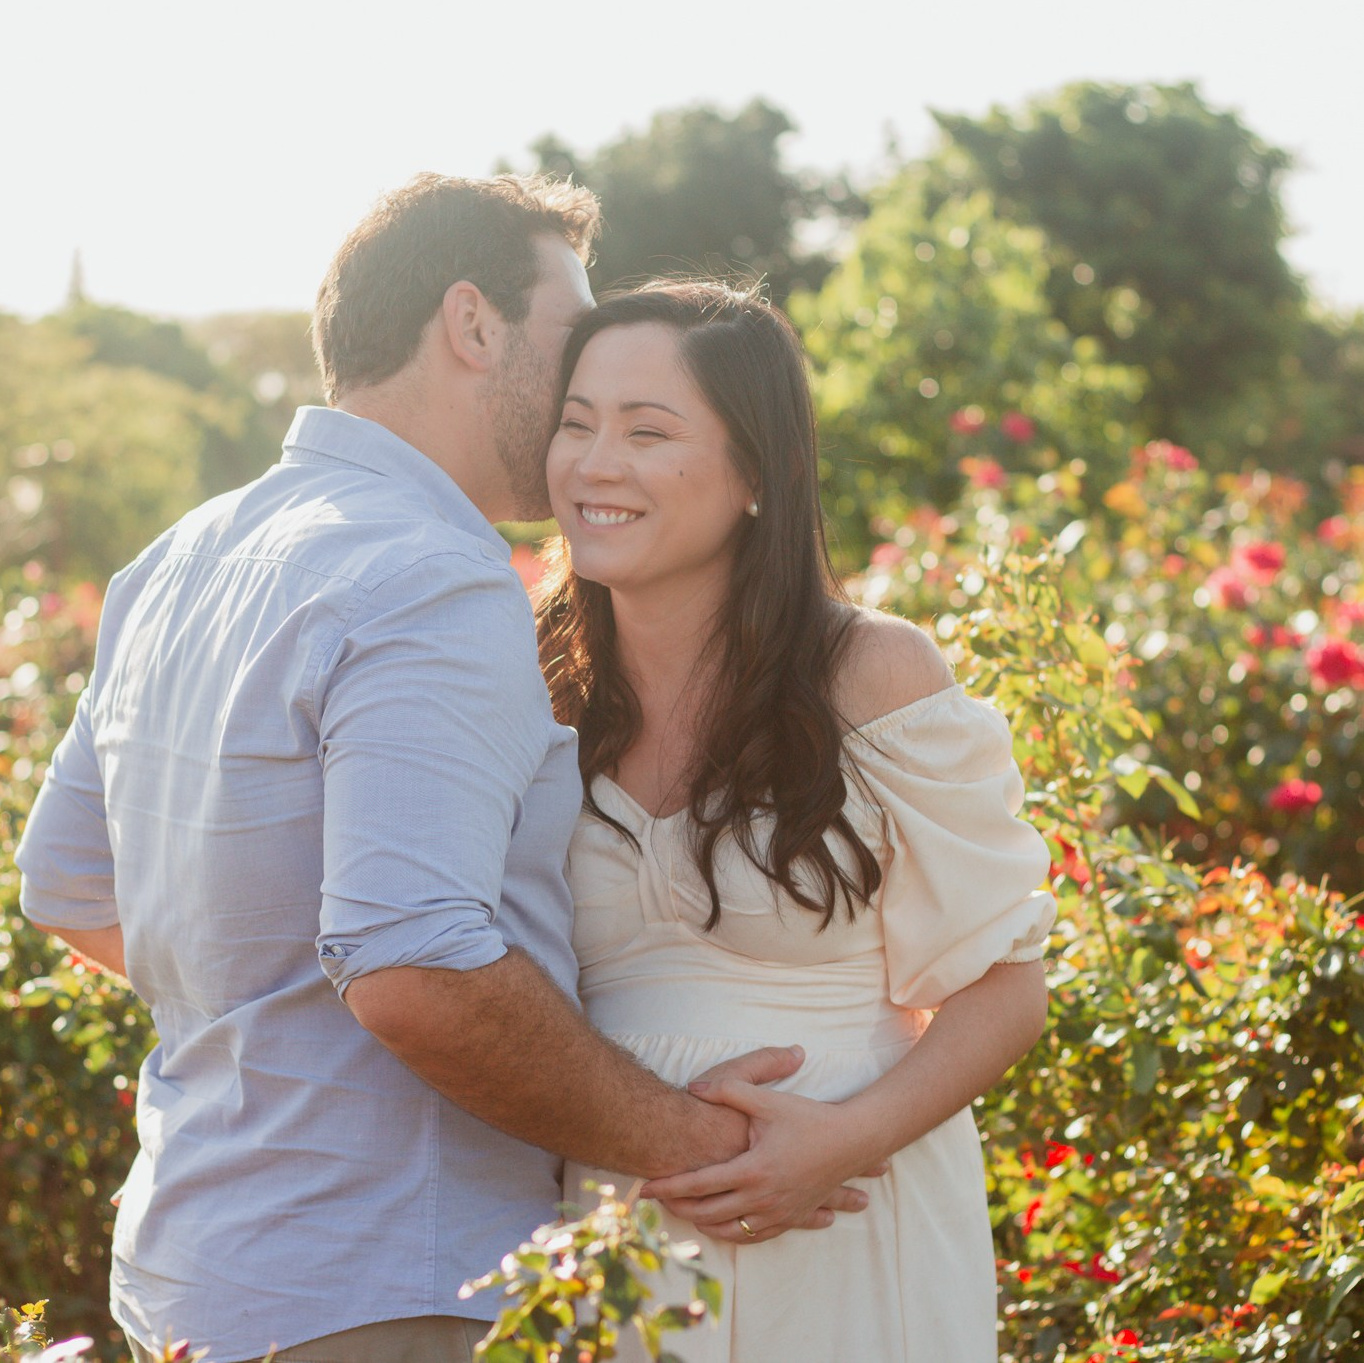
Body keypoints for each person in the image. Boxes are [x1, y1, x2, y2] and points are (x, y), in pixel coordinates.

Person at [13, 178, 861, 1363]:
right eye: (570, 341)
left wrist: (270, 1007)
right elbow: (414, 968)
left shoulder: (184, 552)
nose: (584, 391)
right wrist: (694, 1142)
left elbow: (66, 884)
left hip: (195, 1268)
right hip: (382, 1282)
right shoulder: (430, 575)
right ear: (471, 324)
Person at [536, 280, 1057, 1362]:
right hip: (609, 1224)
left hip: (848, 1217)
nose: (594, 463)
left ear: (757, 474)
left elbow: (1004, 985)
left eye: (646, 430)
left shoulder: (871, 671)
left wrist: (841, 1140)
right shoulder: (532, 682)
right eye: (575, 423)